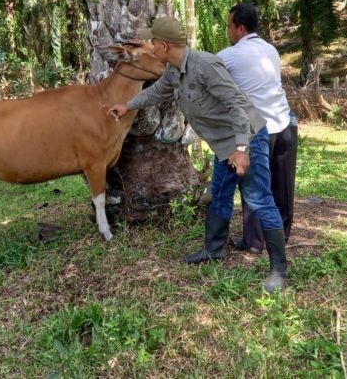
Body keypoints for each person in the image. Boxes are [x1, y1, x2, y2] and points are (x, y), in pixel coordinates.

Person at [107, 16, 288, 292]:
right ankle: (214, 249)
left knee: (259, 199)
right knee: (220, 194)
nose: (150, 47)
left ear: (164, 45)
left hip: (246, 138)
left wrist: (241, 150)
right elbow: (156, 93)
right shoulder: (173, 70)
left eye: (152, 43)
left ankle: (278, 270)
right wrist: (127, 105)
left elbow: (237, 105)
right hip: (223, 145)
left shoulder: (205, 65)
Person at [218, 3, 298, 254]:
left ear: (240, 28)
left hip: (259, 130)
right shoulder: (271, 50)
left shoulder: (228, 56)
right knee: (283, 185)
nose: (229, 31)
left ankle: (253, 242)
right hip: (284, 123)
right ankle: (280, 236)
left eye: (230, 26)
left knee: (254, 186)